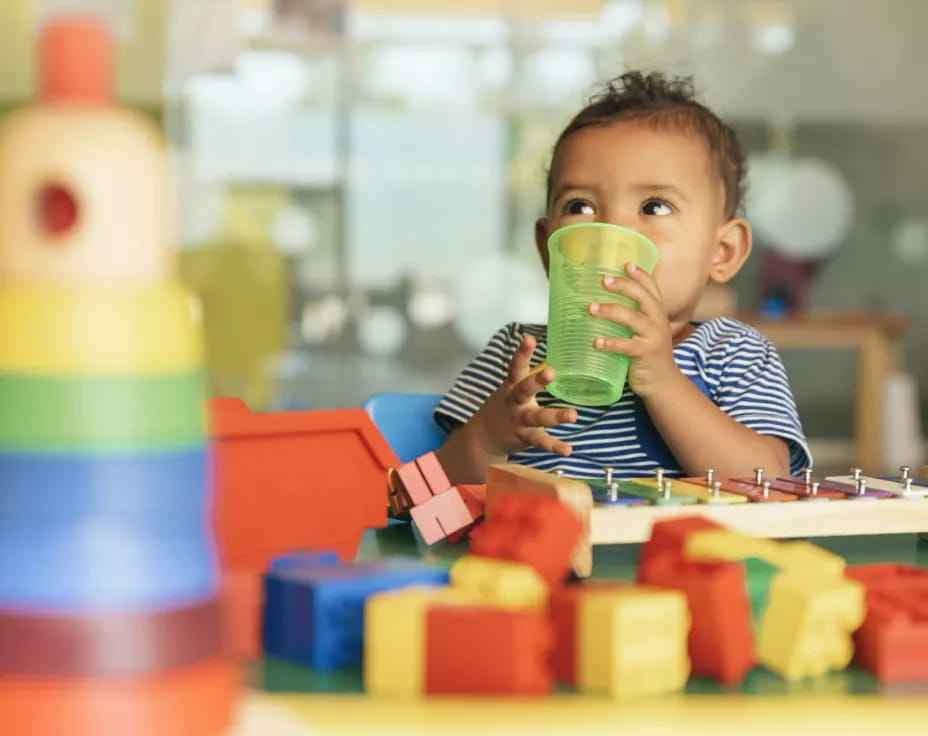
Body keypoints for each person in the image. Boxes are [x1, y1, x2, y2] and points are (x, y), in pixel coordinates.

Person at [433, 71, 812, 485]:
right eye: (579, 207)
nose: (612, 234)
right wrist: (488, 436)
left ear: (723, 251)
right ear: (548, 246)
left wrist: (664, 381)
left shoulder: (733, 354)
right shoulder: (516, 353)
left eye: (654, 207)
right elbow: (426, 492)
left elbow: (769, 480)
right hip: (529, 545)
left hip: (678, 547)